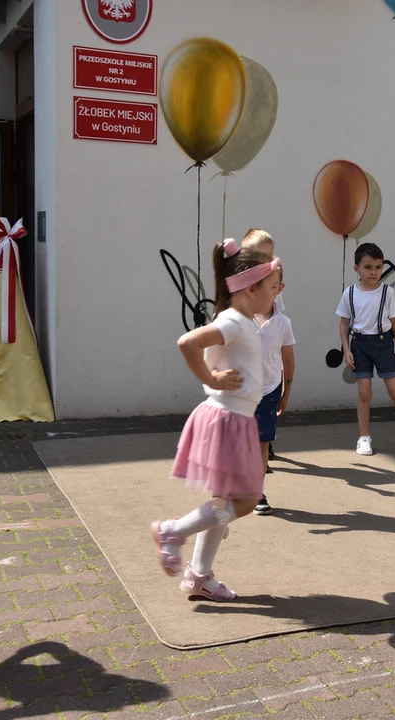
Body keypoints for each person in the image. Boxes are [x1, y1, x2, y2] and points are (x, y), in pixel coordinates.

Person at [150, 239, 282, 600]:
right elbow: (186, 342)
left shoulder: (240, 321)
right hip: (227, 419)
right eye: (273, 288)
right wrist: (210, 379)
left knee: (224, 502)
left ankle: (198, 576)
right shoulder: (234, 322)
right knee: (246, 500)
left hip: (235, 418)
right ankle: (173, 531)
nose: (277, 295)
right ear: (251, 288)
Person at [336, 242, 395, 455]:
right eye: (368, 267)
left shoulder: (387, 292)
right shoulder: (349, 293)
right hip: (359, 344)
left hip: (384, 343)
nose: (373, 272)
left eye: (377, 267)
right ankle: (364, 436)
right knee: (364, 392)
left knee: (394, 391)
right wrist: (347, 350)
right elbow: (343, 324)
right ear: (356, 268)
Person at [251, 255, 295, 516]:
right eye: (257, 284)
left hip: (269, 391)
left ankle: (257, 491)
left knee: (262, 443)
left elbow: (288, 360)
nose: (263, 290)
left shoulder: (283, 323)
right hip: (239, 393)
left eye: (271, 284)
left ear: (280, 288)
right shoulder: (239, 319)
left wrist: (286, 392)